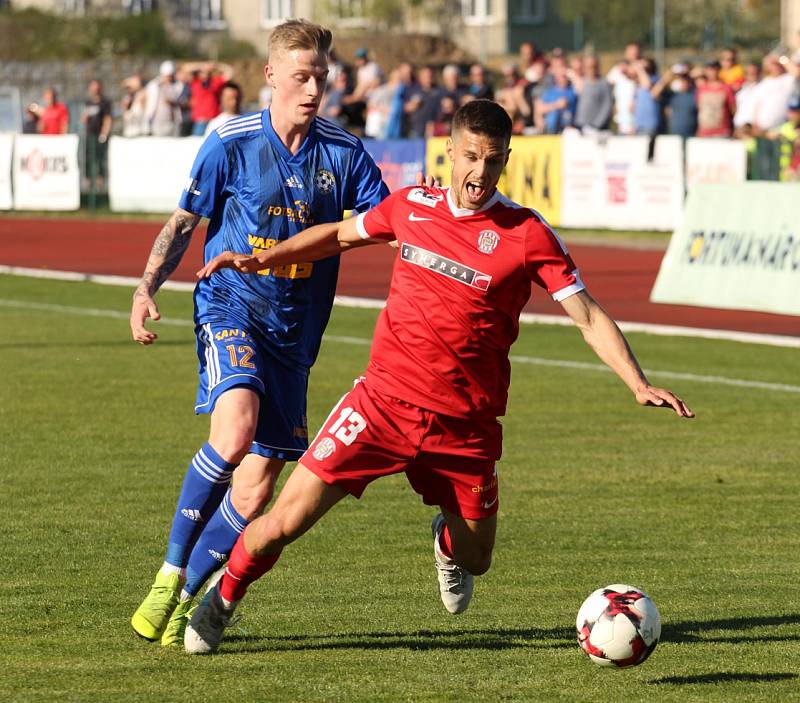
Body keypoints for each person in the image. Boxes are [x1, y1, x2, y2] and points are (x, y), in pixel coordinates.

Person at [185, 99, 694, 655]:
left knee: (478, 558)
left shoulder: (527, 234)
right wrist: (267, 257)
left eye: (493, 160)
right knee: (284, 520)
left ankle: (447, 544)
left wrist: (636, 381)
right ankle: (218, 607)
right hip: (381, 407)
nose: (479, 172)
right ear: (450, 151)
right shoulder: (410, 206)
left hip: (466, 427)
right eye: (471, 156)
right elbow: (337, 235)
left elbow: (588, 313)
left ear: (506, 161)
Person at [128, 19, 389, 649]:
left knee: (257, 484)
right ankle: (167, 572)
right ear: (270, 75)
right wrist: (145, 289)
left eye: (321, 76)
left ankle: (188, 597)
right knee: (236, 426)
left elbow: (390, 221)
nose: (312, 88)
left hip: (296, 331)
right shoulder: (231, 141)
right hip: (230, 305)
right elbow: (186, 221)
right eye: (301, 76)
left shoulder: (344, 153)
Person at [80, 79, 112, 191]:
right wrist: (84, 118)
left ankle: (100, 185)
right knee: (88, 160)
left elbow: (107, 119)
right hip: (89, 136)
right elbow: (83, 118)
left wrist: (104, 134)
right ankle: (88, 184)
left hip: (99, 136)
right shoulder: (88, 103)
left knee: (100, 160)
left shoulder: (105, 102)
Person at [695, 60, 736, 138]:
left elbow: (733, 109)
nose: (712, 72)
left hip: (722, 132)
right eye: (709, 70)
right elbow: (699, 109)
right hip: (704, 133)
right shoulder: (701, 89)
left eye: (714, 69)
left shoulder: (726, 88)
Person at [574, 56, 613, 133]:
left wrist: (597, 125)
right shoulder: (582, 83)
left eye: (594, 66)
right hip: (581, 126)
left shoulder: (604, 84)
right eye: (588, 67)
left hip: (597, 129)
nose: (591, 69)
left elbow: (607, 106)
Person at [144, 60, 183, 137]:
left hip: (172, 121)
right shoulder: (154, 85)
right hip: (157, 122)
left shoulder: (178, 85)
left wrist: (172, 101)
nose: (169, 78)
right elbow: (149, 102)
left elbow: (179, 101)